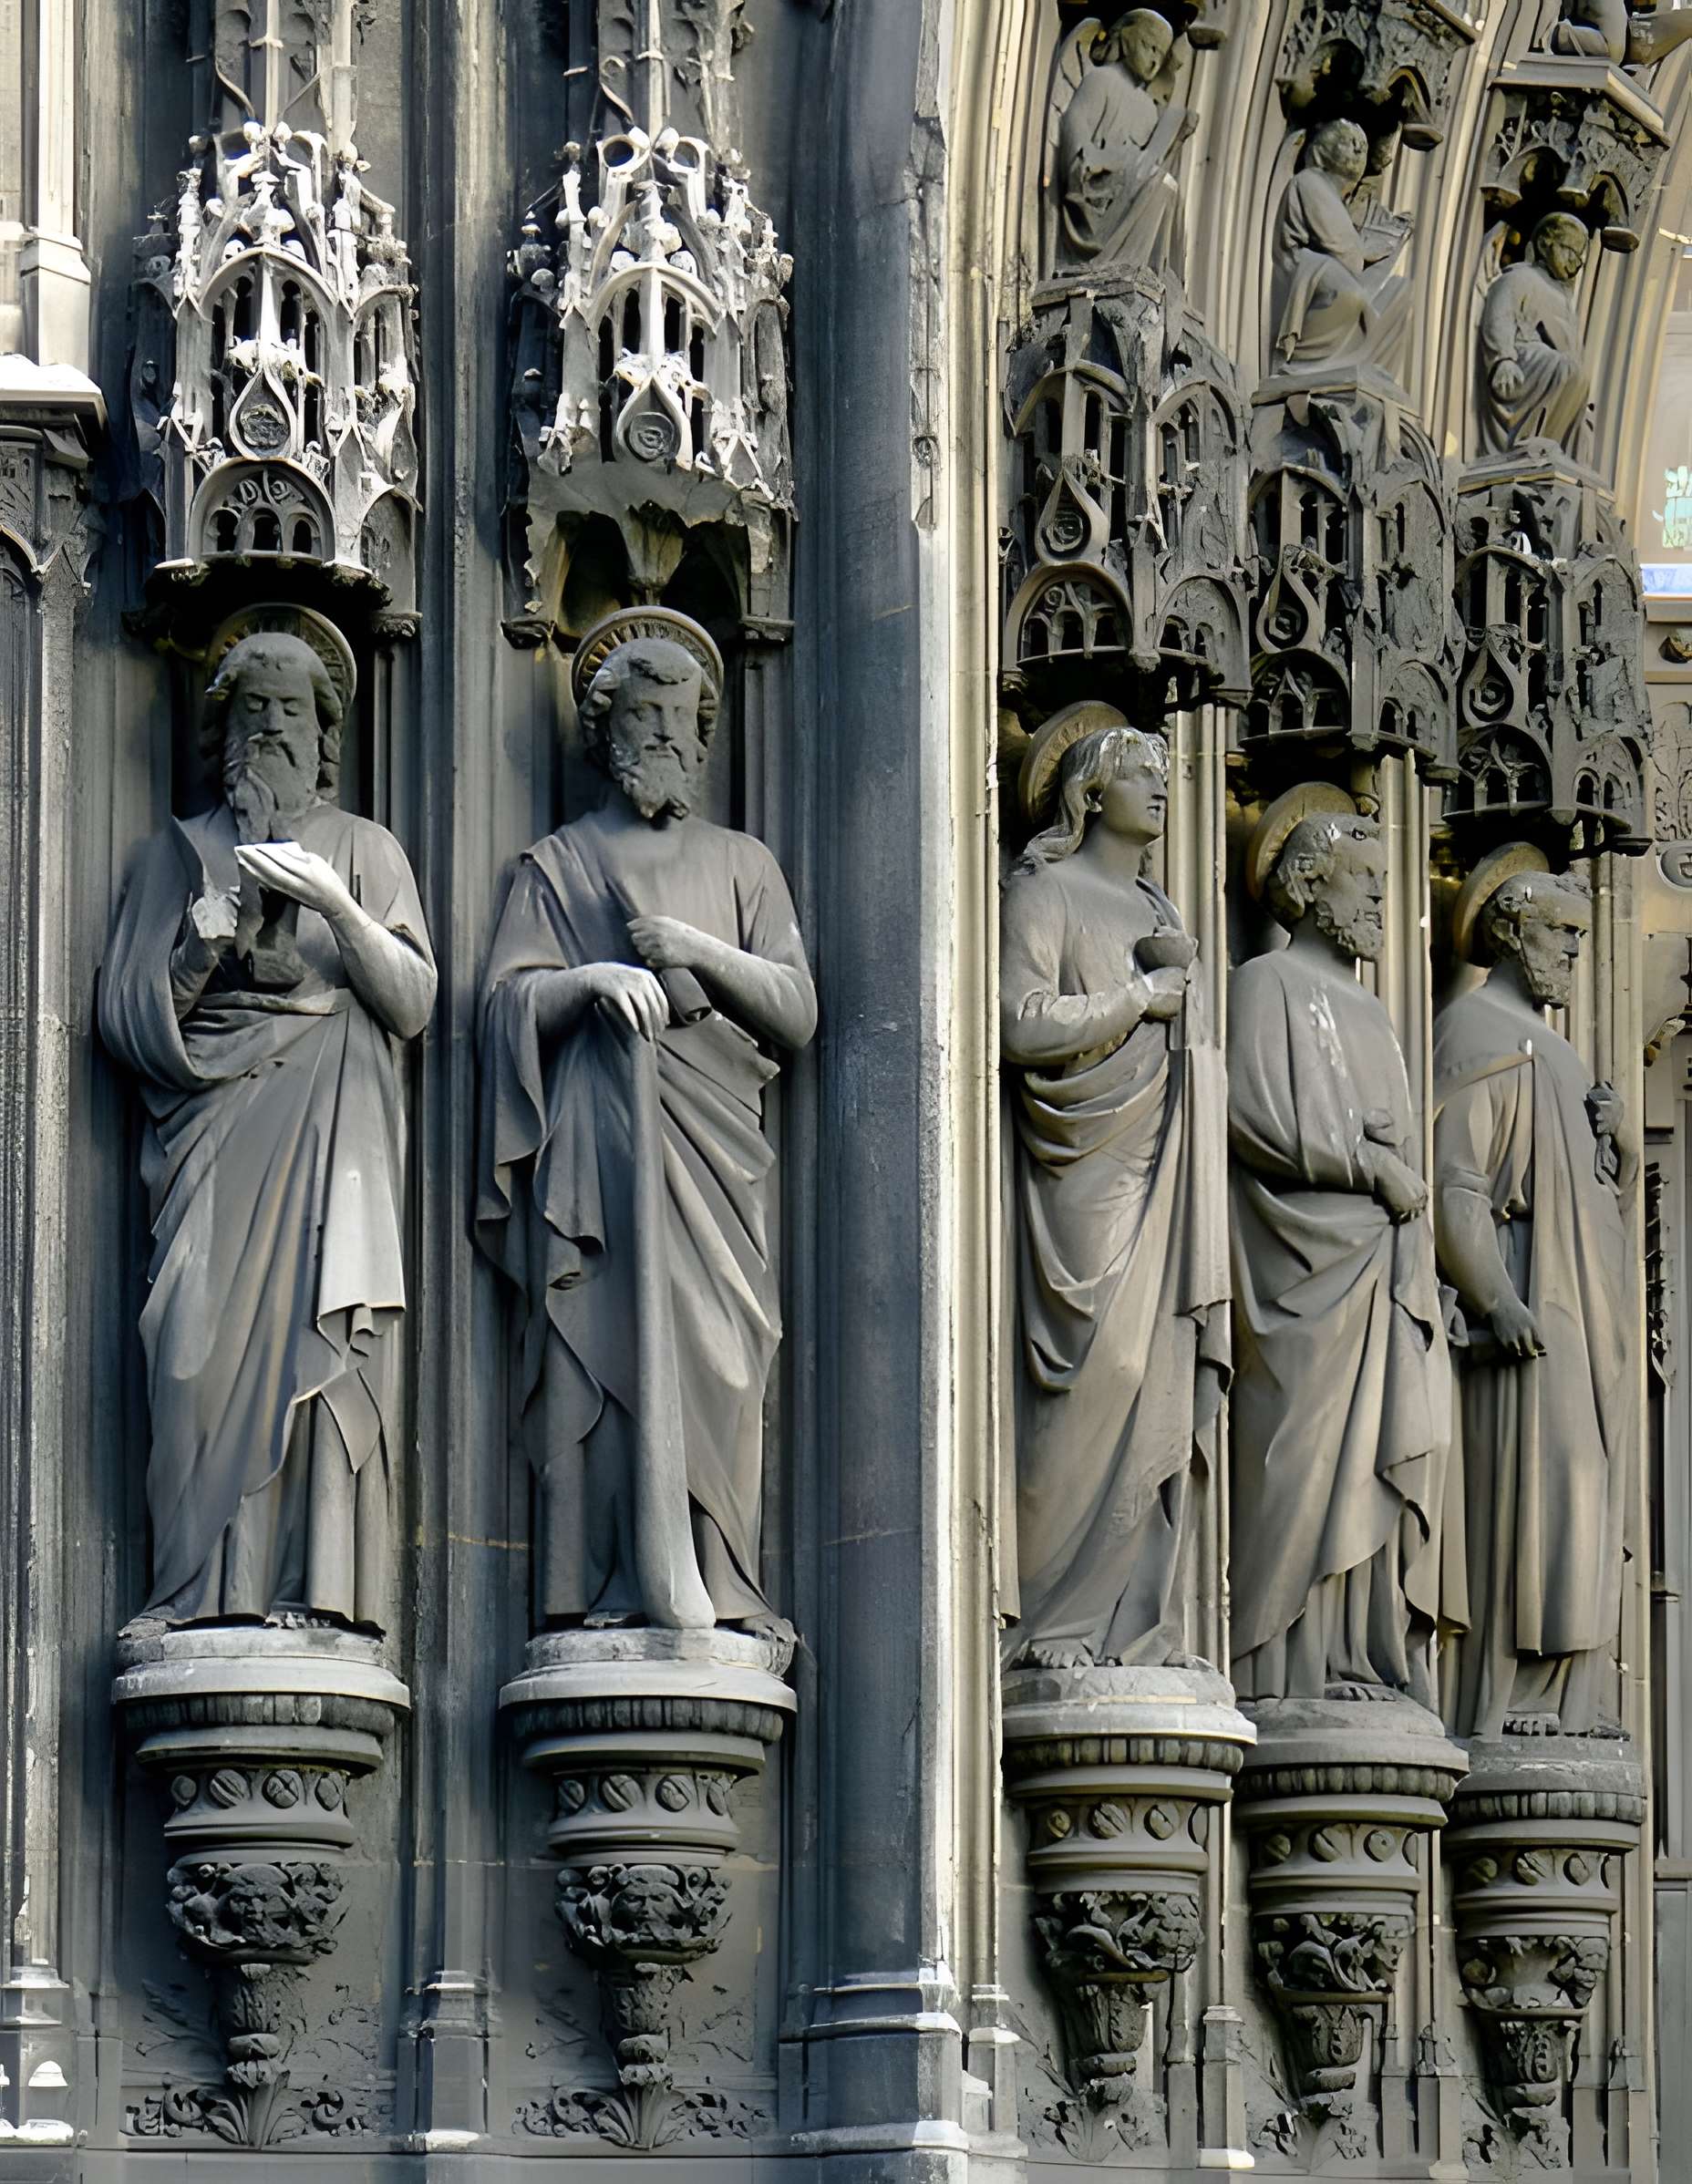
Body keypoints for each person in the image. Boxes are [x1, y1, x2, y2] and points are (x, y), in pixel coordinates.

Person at [476, 608, 815, 1636]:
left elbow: (796, 1008)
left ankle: (720, 1574)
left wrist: (699, 953)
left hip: (716, 1151)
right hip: (601, 1148)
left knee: (719, 1353)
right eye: (644, 714)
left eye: (680, 715)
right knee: (603, 1347)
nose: (665, 734)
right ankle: (606, 1584)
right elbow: (504, 1001)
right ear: (605, 733)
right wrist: (589, 978)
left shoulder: (744, 863)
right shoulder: (557, 866)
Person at [99, 621, 435, 1631]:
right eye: (255, 708)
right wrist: (198, 951)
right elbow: (125, 1016)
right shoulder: (180, 850)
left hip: (335, 1138)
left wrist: (337, 905)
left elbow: (414, 998)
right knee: (190, 1345)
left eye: (293, 708)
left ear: (325, 728)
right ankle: (195, 1591)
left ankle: (318, 1596)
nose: (273, 726)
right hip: (216, 1133)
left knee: (324, 1350)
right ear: (226, 729)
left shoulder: (366, 852)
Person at [999, 707, 1228, 1671]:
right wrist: (1135, 1000)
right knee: (1100, 1369)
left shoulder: (1161, 913)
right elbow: (1018, 1021)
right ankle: (1051, 1613)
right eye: (1142, 774)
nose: (1162, 789)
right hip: (1081, 1166)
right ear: (1090, 792)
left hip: (1164, 1166)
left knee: (1155, 1376)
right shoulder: (1044, 892)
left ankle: (1131, 1621)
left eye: (1168, 775)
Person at [1228, 788, 1450, 1705]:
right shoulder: (1265, 983)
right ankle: (1283, 1663)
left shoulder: (1367, 1006)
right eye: (1361, 882)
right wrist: (1364, 1164)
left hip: (1379, 1265)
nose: (1376, 904)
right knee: (1300, 1451)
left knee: (1372, 1455)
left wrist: (1389, 1174)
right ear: (1308, 885)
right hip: (1299, 1261)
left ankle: (1356, 1651)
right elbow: (1247, 1116)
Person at [1434, 849, 1632, 1739]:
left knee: (1580, 1497)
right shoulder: (1474, 1031)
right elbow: (1456, 1183)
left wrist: (1615, 1150)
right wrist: (1488, 1297)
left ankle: (1568, 1694)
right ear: (1509, 933)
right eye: (1560, 932)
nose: (1573, 951)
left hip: (1581, 1317)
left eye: (1584, 936)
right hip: (1527, 1306)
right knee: (1532, 1497)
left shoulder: (1554, 1049)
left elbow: (1589, 1202)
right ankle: (1507, 1700)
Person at [1270, 118, 1408, 371]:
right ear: (1323, 149)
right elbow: (1345, 251)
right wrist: (1367, 249)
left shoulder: (1337, 198)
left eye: (1363, 147)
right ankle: (1308, 362)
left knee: (1400, 294)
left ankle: (1358, 362)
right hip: (1303, 268)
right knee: (1350, 296)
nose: (1358, 151)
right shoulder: (1311, 181)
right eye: (1350, 143)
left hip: (1323, 268)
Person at [1055, 8, 1190, 270]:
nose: (1154, 61)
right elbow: (1076, 147)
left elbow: (1150, 159)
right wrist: (1119, 160)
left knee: (1170, 189)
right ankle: (1123, 265)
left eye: (1161, 55)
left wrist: (1174, 136)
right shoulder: (1100, 81)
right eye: (1149, 47)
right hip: (1097, 195)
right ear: (1126, 39)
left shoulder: (1150, 108)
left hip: (1131, 193)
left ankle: (1157, 273)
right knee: (1157, 181)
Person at [1478, 213, 1592, 457]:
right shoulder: (1521, 277)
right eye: (1569, 251)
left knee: (1577, 378)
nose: (1574, 262)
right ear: (1543, 244)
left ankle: (1554, 443)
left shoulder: (1563, 299)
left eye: (1579, 258)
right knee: (1565, 368)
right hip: (1521, 356)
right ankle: (1527, 439)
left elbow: (1572, 349)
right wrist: (1503, 358)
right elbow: (1501, 314)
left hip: (1548, 366)